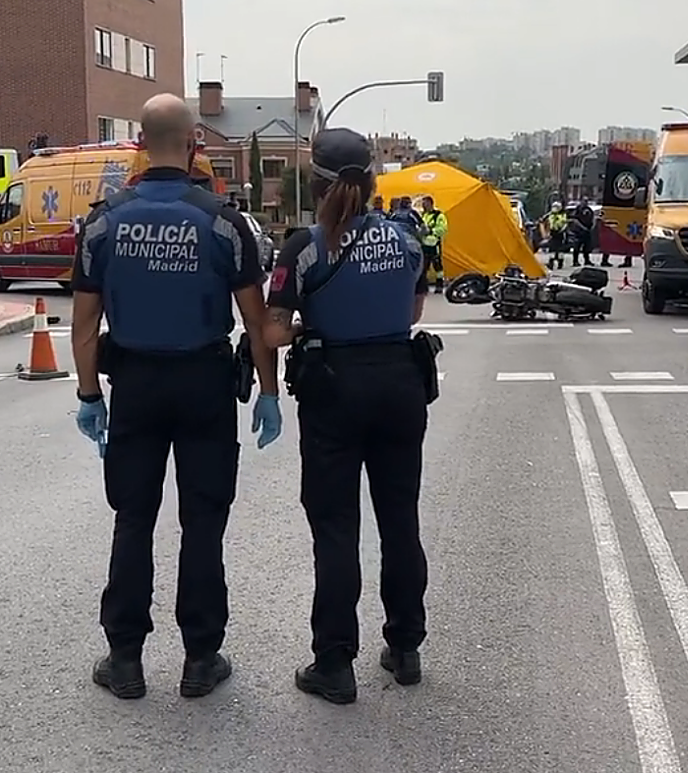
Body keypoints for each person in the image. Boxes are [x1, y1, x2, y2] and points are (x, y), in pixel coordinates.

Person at [70, 93, 283, 701]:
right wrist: (268, 391)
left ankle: (125, 659)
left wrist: (90, 394)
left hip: (135, 385)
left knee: (133, 519)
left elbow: (83, 325)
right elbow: (256, 319)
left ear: (140, 145)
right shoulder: (224, 222)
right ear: (194, 145)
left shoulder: (103, 223)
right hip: (204, 385)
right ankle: (200, 658)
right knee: (204, 522)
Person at [262, 127, 432, 705]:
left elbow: (273, 331)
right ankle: (405, 647)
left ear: (317, 182)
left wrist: (308, 325)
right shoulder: (406, 238)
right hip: (400, 384)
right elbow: (413, 309)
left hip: (334, 388)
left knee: (336, 528)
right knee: (400, 520)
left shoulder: (305, 246)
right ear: (373, 180)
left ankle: (334, 663)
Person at [418, 195, 448, 293]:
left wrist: (431, 231)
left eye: (425, 203)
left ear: (430, 203)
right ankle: (423, 286)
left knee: (437, 266)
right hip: (424, 244)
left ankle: (439, 285)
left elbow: (443, 229)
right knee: (424, 266)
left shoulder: (438, 215)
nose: (423, 205)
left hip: (434, 244)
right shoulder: (423, 215)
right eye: (423, 204)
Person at [541, 201, 569, 270]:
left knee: (560, 249)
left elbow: (565, 223)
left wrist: (562, 230)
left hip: (560, 233)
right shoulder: (550, 214)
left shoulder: (563, 215)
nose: (554, 208)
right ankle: (551, 263)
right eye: (554, 207)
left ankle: (560, 262)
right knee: (552, 248)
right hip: (553, 233)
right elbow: (544, 220)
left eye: (556, 207)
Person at [570, 198, 595, 266]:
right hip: (579, 231)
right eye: (584, 201)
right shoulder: (578, 209)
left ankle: (587, 260)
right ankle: (575, 261)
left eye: (586, 201)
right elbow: (575, 220)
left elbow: (593, 218)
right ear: (581, 201)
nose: (585, 202)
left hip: (587, 231)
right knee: (577, 247)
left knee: (587, 247)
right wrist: (582, 227)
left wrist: (592, 226)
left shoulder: (589, 209)